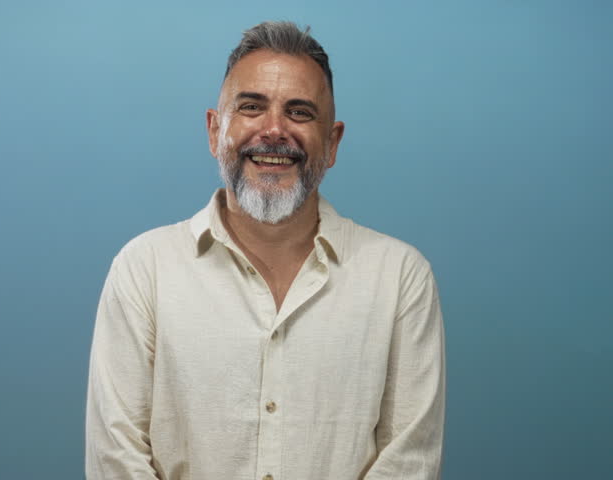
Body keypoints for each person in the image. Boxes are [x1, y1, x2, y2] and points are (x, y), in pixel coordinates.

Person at [85, 21, 445, 480]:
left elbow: (409, 463)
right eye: (251, 107)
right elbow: (117, 460)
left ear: (332, 143)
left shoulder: (400, 278)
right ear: (215, 131)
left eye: (299, 113)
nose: (274, 131)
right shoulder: (144, 270)